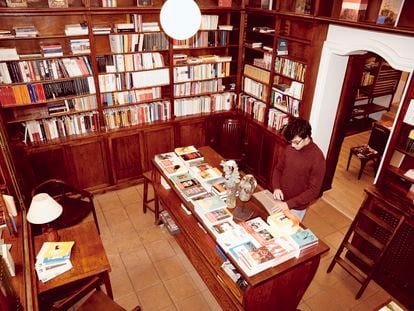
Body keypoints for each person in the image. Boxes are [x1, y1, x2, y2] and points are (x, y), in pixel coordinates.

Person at [271, 118, 326, 223]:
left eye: (296, 142)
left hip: (297, 208)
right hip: (280, 200)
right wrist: (276, 188)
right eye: (291, 142)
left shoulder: (318, 158)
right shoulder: (290, 149)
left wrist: (288, 204)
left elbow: (313, 191)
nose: (292, 145)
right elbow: (278, 169)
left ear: (306, 137)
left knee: (287, 235)